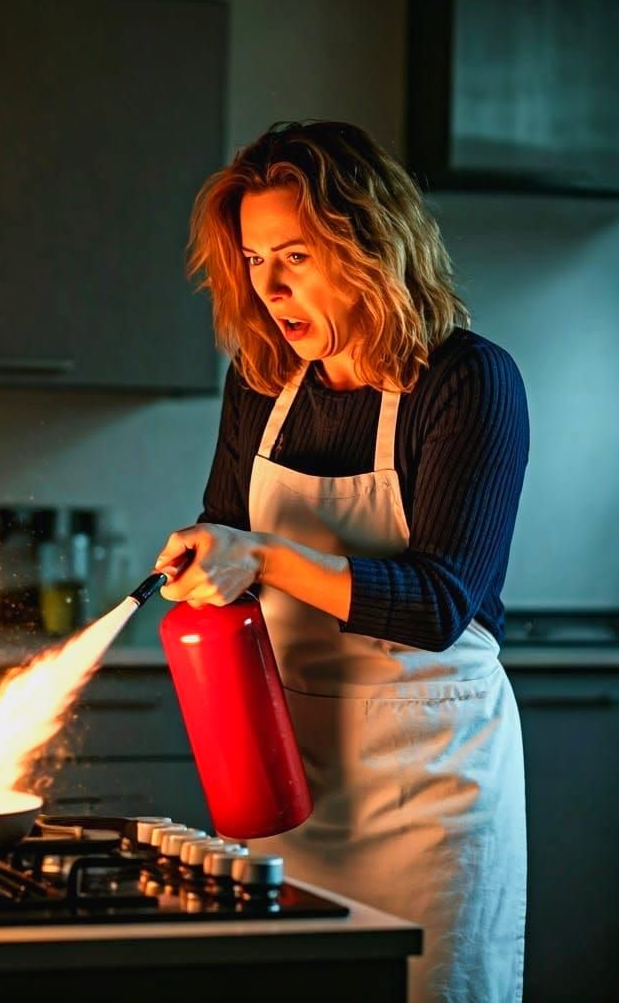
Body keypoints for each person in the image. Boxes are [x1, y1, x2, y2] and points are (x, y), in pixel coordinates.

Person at [155, 121, 528, 1003]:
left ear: (370, 247)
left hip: (430, 792)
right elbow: (228, 530)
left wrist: (267, 559)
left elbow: (439, 605)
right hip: (287, 782)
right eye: (253, 259)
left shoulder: (468, 381)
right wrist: (209, 560)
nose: (272, 288)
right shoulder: (260, 381)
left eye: (297, 256)